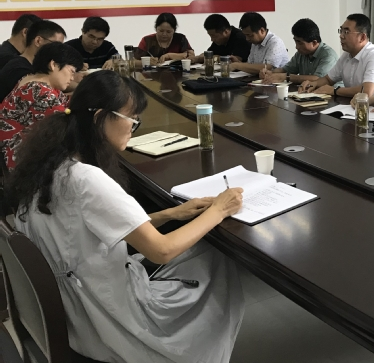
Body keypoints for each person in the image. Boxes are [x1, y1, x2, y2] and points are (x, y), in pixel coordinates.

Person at [7, 72, 247, 363]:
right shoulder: (86, 179)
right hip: (111, 320)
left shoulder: (53, 165)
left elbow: (95, 225)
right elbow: (161, 251)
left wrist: (170, 213)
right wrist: (220, 209)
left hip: (79, 311)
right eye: (132, 119)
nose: (134, 128)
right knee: (217, 258)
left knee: (199, 250)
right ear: (100, 117)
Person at [0, 42, 83, 169]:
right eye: (71, 71)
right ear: (53, 65)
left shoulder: (32, 79)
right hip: (19, 159)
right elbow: (67, 122)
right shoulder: (39, 91)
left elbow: (65, 103)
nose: (72, 78)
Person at [300, 14, 374, 98]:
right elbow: (328, 79)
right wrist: (314, 84)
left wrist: (335, 90)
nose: (341, 36)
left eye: (346, 32)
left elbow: (367, 92)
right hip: (354, 105)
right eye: (341, 31)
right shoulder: (347, 55)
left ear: (362, 37)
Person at [0, 20, 66, 102]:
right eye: (56, 45)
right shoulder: (19, 69)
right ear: (38, 41)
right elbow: (43, 98)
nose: (58, 51)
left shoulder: (29, 66)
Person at [260, 18, 338, 84]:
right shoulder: (301, 54)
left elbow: (318, 79)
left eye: (300, 43)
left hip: (332, 95)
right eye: (295, 41)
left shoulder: (328, 55)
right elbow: (285, 70)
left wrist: (286, 77)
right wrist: (270, 73)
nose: (296, 47)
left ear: (314, 43)